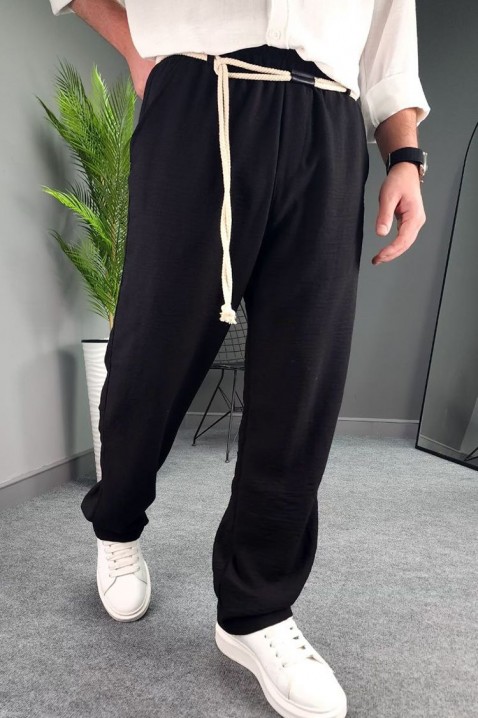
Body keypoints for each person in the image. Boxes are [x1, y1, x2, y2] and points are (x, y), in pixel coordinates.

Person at [48, 2, 430, 717]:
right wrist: (134, 46)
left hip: (329, 122)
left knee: (304, 378)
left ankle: (256, 611)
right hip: (201, 95)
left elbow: (389, 41)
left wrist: (404, 156)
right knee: (150, 357)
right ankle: (118, 524)